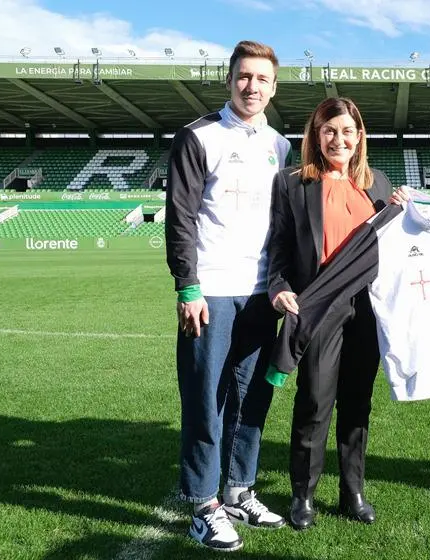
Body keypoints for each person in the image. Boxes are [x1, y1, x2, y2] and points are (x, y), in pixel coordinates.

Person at [165, 40, 291, 552]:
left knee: (252, 396)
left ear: (273, 87)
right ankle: (202, 504)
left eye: (262, 79)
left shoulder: (280, 145)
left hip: (261, 293)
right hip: (212, 292)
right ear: (229, 80)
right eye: (244, 77)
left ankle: (239, 488)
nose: (252, 86)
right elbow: (181, 217)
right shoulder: (199, 137)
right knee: (205, 398)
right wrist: (188, 286)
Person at [267, 97, 395, 530]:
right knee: (315, 400)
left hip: (370, 309)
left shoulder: (378, 185)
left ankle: (352, 491)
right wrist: (279, 288)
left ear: (359, 136)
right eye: (329, 130)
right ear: (315, 136)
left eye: (346, 131)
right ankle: (303, 494)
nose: (338, 139)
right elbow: (280, 247)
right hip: (320, 306)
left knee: (358, 402)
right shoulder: (291, 183)